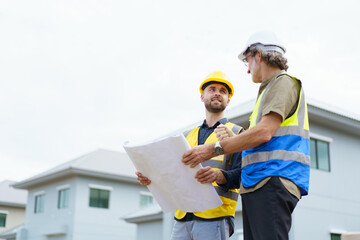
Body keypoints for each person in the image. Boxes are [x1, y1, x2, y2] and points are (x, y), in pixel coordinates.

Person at [182, 31, 310, 240]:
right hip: (259, 182)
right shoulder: (267, 92)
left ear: (258, 54)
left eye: (247, 61)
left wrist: (213, 149)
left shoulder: (283, 82)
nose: (247, 68)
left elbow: (264, 133)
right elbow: (259, 137)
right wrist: (232, 140)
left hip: (274, 178)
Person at [136, 71, 244, 240]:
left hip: (214, 216)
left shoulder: (237, 133)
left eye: (223, 91)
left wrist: (219, 175)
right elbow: (173, 174)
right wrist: (151, 178)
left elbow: (243, 174)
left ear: (228, 100)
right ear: (202, 97)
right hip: (182, 217)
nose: (217, 93)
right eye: (212, 89)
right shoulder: (186, 137)